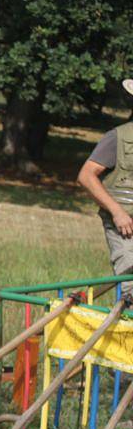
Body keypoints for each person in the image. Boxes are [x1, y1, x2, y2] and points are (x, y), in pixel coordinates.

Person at [78, 80, 133, 293]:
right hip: (125, 228)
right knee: (131, 288)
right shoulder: (118, 137)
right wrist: (117, 212)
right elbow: (86, 175)